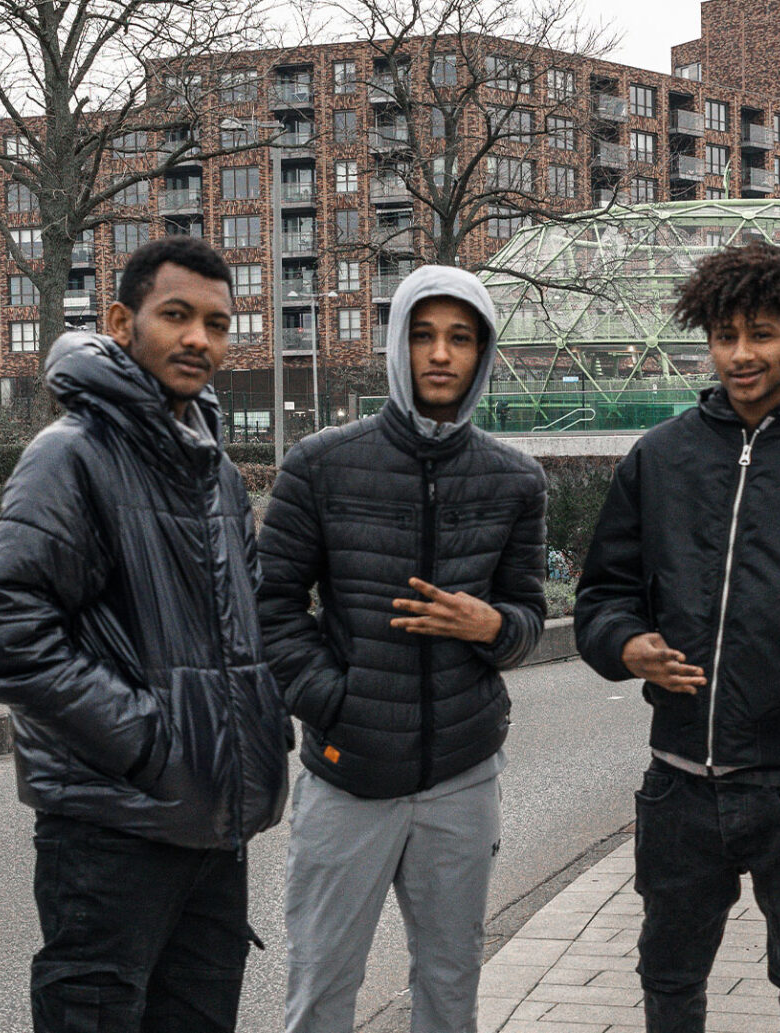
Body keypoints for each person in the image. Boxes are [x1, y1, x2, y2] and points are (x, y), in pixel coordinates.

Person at [575, 241, 780, 1033]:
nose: (742, 354)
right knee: (669, 979)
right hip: (678, 783)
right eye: (725, 335)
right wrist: (625, 644)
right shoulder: (660, 458)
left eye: (760, 333)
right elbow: (602, 597)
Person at [0, 236, 290, 1033]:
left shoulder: (217, 472)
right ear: (123, 322)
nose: (200, 338)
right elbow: (7, 624)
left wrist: (259, 726)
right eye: (178, 315)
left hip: (212, 830)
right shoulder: (70, 456)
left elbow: (245, 626)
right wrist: (147, 743)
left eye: (218, 323)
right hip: (111, 830)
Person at [257, 265, 547, 1033]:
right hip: (346, 778)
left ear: (483, 352)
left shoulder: (516, 478)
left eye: (460, 337)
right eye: (423, 335)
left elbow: (527, 611)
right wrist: (336, 704)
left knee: (450, 988)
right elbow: (269, 608)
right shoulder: (320, 464)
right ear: (398, 345)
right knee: (322, 986)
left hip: (461, 775)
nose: (441, 354)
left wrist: (492, 628)